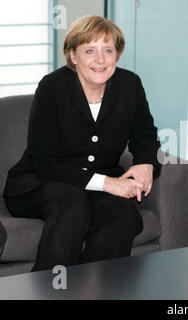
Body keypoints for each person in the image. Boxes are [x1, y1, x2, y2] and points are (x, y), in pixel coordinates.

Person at [2, 15, 161, 272]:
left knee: (124, 214)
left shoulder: (130, 85)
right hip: (38, 183)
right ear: (73, 56)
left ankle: (92, 289)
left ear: (117, 55)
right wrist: (109, 183)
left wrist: (145, 163)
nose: (100, 59)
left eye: (108, 50)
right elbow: (45, 163)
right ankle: (48, 292)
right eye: (89, 50)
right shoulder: (53, 87)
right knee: (72, 203)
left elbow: (144, 133)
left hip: (92, 189)